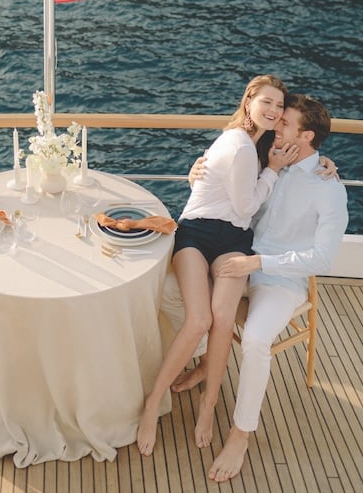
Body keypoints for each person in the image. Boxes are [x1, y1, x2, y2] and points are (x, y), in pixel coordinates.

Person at [172, 93, 348, 483]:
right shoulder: (268, 152)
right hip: (237, 255)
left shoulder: (329, 187)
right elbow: (227, 172)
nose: (274, 125)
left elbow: (323, 259)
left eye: (283, 123)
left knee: (253, 339)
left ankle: (240, 434)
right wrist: (197, 170)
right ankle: (206, 364)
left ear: (306, 137)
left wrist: (259, 263)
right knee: (182, 292)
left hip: (278, 278)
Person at [136, 75, 298, 457]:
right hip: (196, 235)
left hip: (233, 242)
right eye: (267, 103)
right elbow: (245, 207)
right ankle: (151, 403)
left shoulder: (258, 145)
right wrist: (272, 172)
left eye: (279, 106)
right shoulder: (241, 146)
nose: (274, 111)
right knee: (200, 320)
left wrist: (319, 164)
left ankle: (208, 404)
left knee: (224, 317)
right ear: (249, 103)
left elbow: (228, 198)